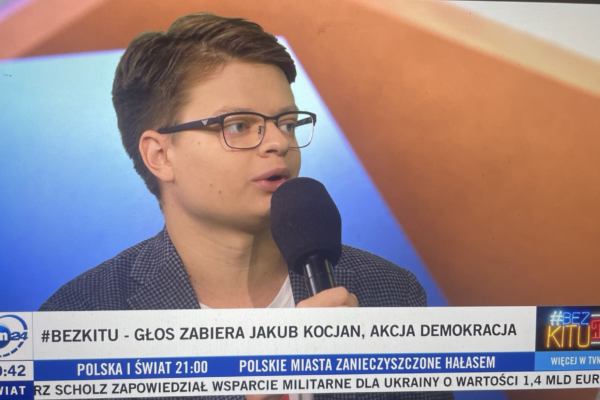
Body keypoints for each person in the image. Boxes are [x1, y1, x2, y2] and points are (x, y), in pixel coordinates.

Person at [39, 12, 453, 400]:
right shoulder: (80, 319)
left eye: (286, 123)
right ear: (160, 155)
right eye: (238, 125)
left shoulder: (391, 292)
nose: (278, 143)